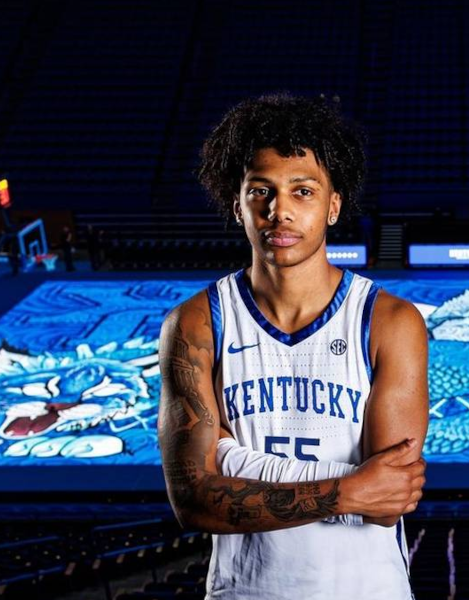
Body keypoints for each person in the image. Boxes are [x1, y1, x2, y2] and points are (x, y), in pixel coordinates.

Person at [158, 93, 429, 599]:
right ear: (236, 203)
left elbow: (390, 497)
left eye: (302, 191)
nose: (279, 211)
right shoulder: (197, 323)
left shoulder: (389, 320)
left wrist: (231, 461)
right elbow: (193, 501)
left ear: (333, 206)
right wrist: (350, 488)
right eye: (261, 191)